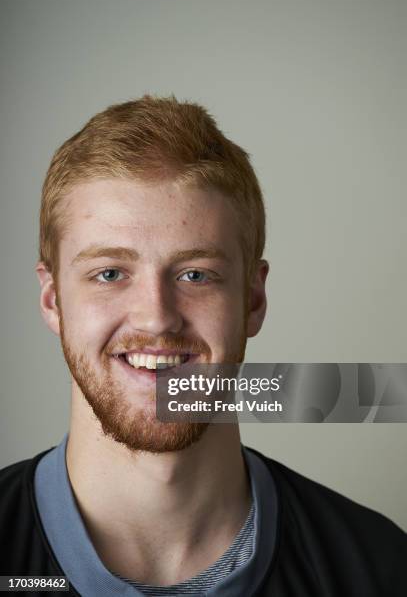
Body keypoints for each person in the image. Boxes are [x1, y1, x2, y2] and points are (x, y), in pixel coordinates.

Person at [0, 96, 405, 597]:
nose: (157, 316)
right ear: (52, 299)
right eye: (109, 273)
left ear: (253, 300)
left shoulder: (379, 569)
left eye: (196, 274)